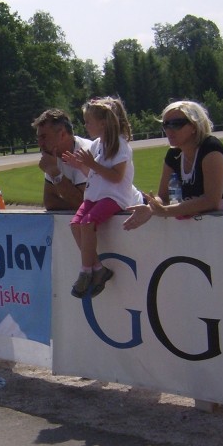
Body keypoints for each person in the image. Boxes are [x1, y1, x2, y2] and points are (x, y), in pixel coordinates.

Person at [62, 98, 143, 298]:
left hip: (113, 196)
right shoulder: (98, 144)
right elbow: (93, 173)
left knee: (88, 223)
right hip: (95, 194)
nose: (86, 126)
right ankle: (98, 268)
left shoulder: (120, 146)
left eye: (89, 121)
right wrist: (79, 165)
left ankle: (85, 271)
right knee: (75, 224)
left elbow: (116, 177)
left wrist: (92, 164)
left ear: (103, 123)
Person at [123, 101, 223, 230]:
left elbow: (211, 201)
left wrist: (165, 211)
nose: (169, 130)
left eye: (176, 124)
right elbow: (163, 196)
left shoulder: (210, 148)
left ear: (194, 126)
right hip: (204, 224)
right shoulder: (174, 154)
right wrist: (151, 208)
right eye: (165, 125)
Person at [32, 108, 93, 211]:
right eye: (38, 138)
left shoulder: (86, 152)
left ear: (62, 134)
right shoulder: (53, 157)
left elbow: (83, 203)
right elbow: (50, 202)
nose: (40, 144)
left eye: (44, 137)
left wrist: (55, 173)